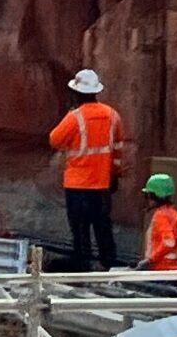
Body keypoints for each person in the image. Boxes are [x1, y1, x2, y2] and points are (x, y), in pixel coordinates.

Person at [49, 69, 123, 271]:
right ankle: (110, 267)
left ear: (77, 93)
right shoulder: (113, 116)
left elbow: (54, 139)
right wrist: (114, 175)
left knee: (80, 232)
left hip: (77, 185)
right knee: (103, 228)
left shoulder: (75, 117)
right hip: (101, 184)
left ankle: (83, 268)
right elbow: (117, 148)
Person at [141, 171, 177, 272]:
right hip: (173, 269)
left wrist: (149, 260)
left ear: (154, 196)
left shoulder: (161, 215)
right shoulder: (174, 214)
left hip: (161, 269)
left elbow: (169, 242)